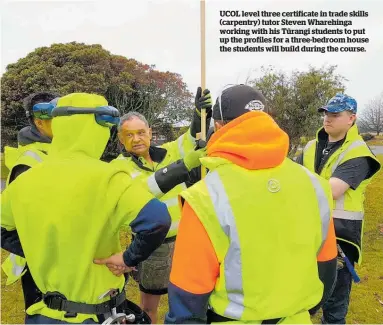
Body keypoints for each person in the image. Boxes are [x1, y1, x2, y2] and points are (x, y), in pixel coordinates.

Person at [165, 84, 338, 324]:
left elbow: (187, 297)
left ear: (218, 126)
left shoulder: (207, 196)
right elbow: (327, 267)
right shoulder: (315, 185)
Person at [1, 92, 171, 324]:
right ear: (94, 128)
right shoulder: (109, 176)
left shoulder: (25, 178)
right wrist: (128, 258)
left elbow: (3, 229)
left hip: (45, 314)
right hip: (97, 313)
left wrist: (39, 248)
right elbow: (157, 219)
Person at [110, 87, 212, 324]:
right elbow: (145, 190)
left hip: (185, 240)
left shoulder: (170, 151)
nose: (136, 139)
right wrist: (183, 166)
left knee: (192, 297)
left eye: (141, 132)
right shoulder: (118, 168)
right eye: (128, 135)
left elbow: (191, 137)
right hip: (152, 246)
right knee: (149, 306)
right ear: (119, 139)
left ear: (150, 132)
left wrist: (199, 113)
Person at [296, 93, 381, 324]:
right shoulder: (312, 146)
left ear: (351, 118)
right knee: (302, 297)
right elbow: (288, 174)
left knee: (334, 304)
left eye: (335, 114)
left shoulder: (358, 153)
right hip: (308, 233)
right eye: (326, 113)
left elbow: (332, 190)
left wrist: (295, 184)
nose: (328, 119)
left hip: (340, 238)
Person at [1, 91, 60, 312]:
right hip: (39, 262)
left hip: (60, 255)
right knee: (43, 313)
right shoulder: (30, 161)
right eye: (58, 117)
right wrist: (37, 252)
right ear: (39, 122)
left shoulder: (55, 152)